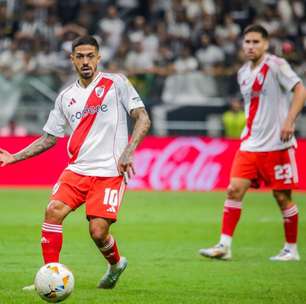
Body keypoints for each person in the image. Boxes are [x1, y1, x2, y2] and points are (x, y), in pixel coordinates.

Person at [0, 35, 151, 288]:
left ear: (98, 57)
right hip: (77, 170)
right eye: (79, 56)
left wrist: (129, 150)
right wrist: (13, 157)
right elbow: (49, 138)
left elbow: (143, 118)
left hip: (110, 171)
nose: (85, 61)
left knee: (98, 232)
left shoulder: (117, 83)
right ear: (71, 60)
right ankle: (49, 276)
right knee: (53, 211)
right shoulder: (65, 97)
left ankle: (115, 264)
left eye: (90, 56)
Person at [199, 24, 305, 261]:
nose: (251, 46)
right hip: (250, 144)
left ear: (266, 44)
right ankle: (224, 246)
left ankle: (291, 249)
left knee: (282, 197)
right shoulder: (243, 73)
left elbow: (300, 90)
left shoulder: (276, 65)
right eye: (247, 42)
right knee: (233, 190)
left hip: (278, 144)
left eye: (256, 42)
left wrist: (289, 121)